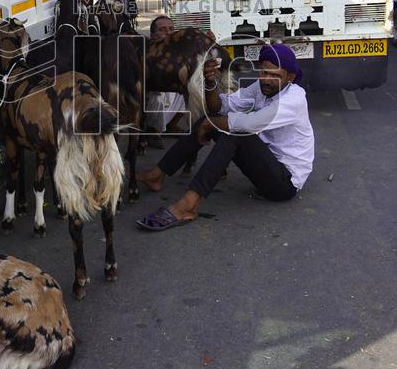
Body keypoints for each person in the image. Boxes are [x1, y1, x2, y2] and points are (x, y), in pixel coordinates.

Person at [134, 44, 314, 231]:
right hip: (264, 166)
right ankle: (157, 175)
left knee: (235, 132)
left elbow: (248, 125)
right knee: (212, 120)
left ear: (290, 77)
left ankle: (188, 205)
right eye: (264, 72)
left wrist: (211, 123)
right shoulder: (260, 88)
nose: (266, 80)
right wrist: (210, 82)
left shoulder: (295, 99)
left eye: (275, 76)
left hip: (284, 183)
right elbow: (220, 107)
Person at [142, 15, 188, 149]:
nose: (168, 32)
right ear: (153, 35)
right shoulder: (148, 50)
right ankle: (153, 132)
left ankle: (171, 125)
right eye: (162, 29)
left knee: (190, 87)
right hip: (151, 100)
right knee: (158, 95)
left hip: (170, 98)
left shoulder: (177, 48)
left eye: (171, 29)